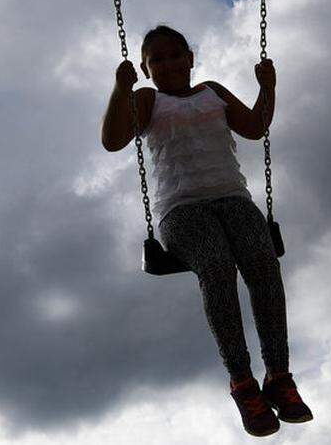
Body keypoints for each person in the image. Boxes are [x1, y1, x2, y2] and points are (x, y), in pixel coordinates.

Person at [100, 24, 313, 437]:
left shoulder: (213, 90)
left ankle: (279, 378)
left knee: (262, 263)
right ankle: (243, 383)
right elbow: (112, 140)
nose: (168, 64)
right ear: (145, 70)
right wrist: (119, 88)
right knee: (216, 266)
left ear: (191, 58)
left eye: (175, 54)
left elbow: (254, 127)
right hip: (180, 210)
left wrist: (268, 87)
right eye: (156, 59)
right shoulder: (145, 98)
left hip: (233, 198)